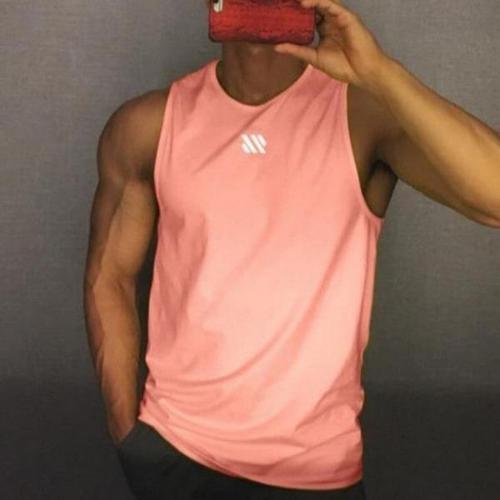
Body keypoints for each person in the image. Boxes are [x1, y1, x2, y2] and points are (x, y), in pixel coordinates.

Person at [83, 0, 500, 499]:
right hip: (176, 452)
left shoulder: (363, 117)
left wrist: (380, 73)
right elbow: (109, 275)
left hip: (314, 469)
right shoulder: (148, 125)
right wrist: (130, 437)